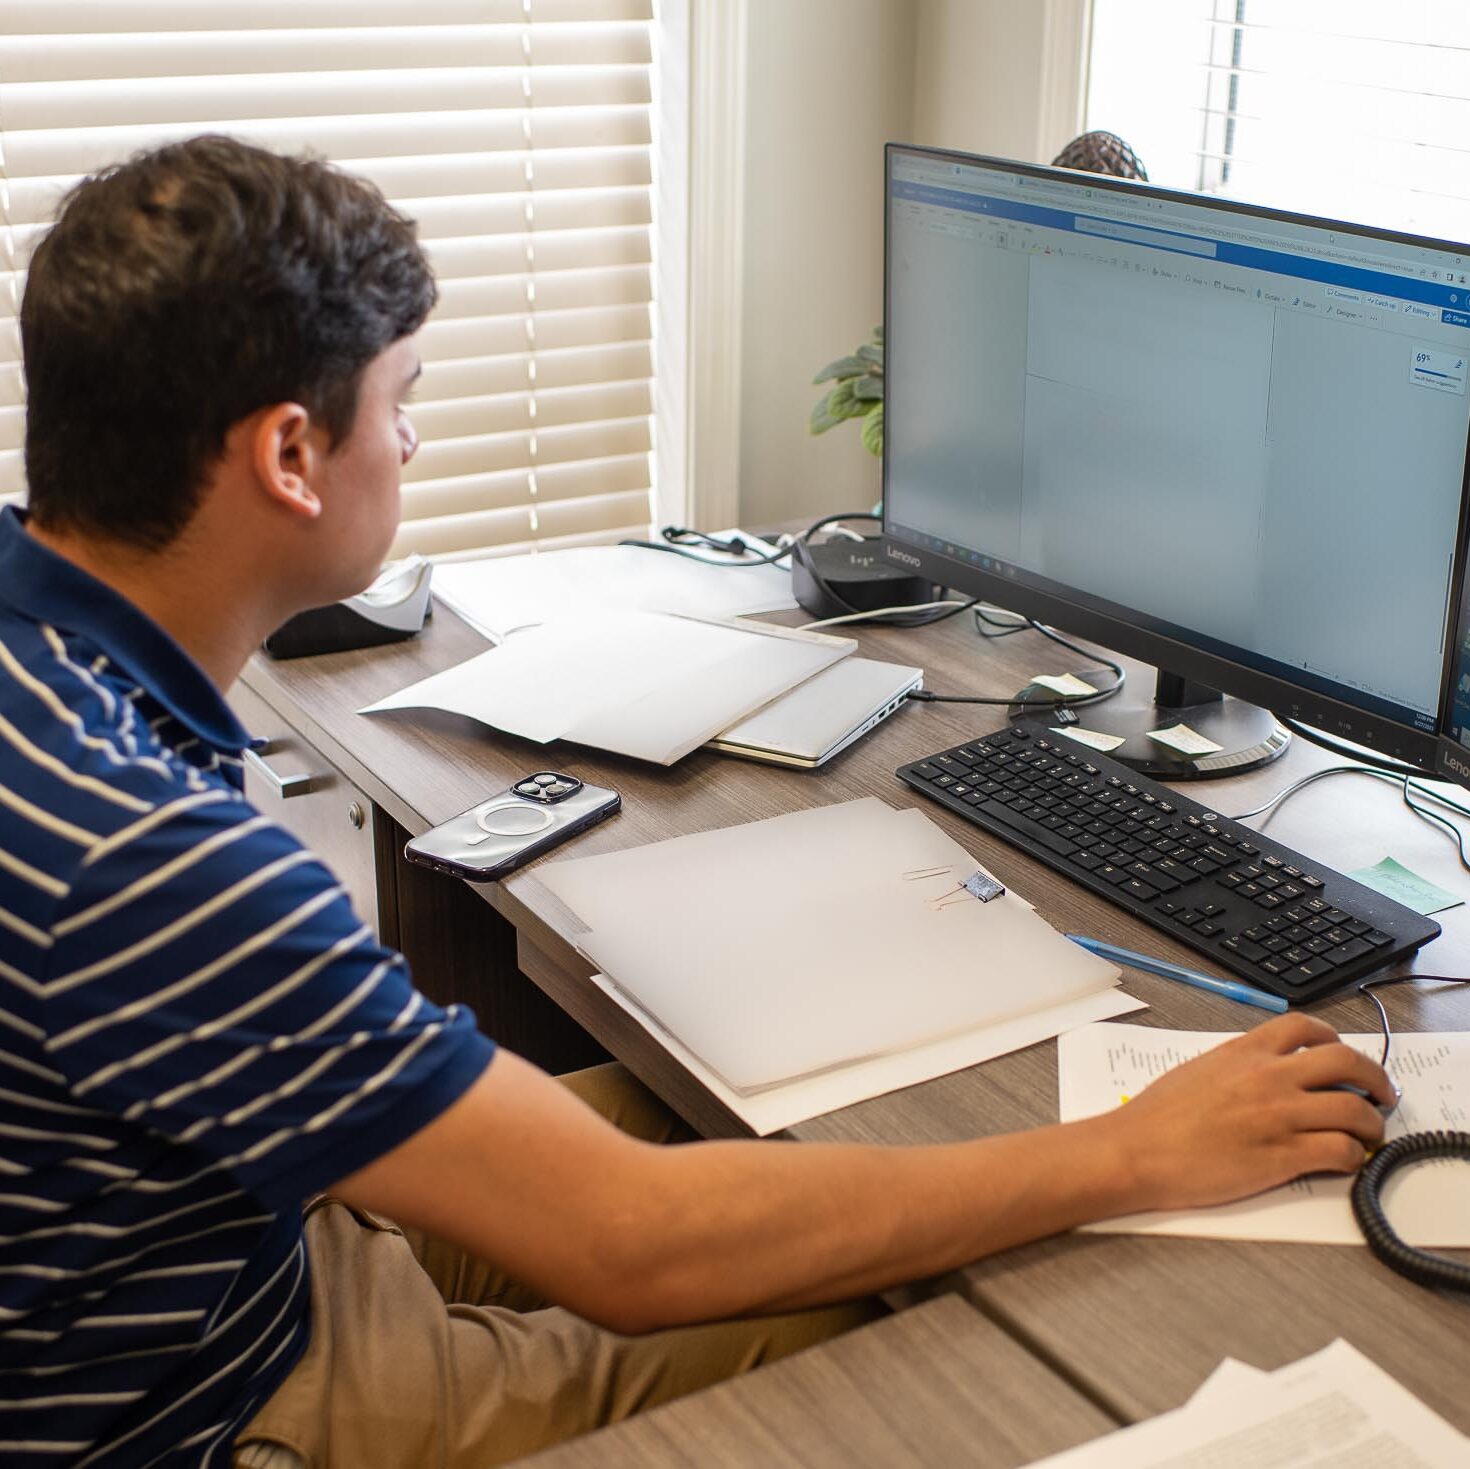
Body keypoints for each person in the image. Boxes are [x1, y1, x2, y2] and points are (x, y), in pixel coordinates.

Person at [0, 136, 1394, 1469]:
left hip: (220, 1238)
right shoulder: (143, 857)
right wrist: (1127, 1150)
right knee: (908, 1313)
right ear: (290, 456)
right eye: (401, 395)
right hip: (220, 1401)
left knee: (744, 1120)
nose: (414, 439)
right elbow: (631, 1245)